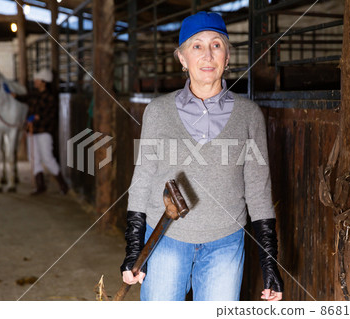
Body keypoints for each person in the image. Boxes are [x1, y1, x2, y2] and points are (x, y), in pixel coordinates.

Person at [120, 12, 284, 301]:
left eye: (216, 45)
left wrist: (270, 262)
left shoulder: (249, 115)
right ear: (182, 59)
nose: (207, 55)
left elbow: (258, 191)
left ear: (228, 57)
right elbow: (143, 180)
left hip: (225, 243)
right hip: (165, 240)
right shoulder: (158, 112)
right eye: (196, 46)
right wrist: (134, 247)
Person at [10, 69, 69, 195]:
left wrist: (38, 117)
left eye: (37, 80)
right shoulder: (34, 94)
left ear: (44, 82)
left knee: (47, 158)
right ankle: (40, 186)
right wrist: (13, 94)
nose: (35, 81)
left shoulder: (50, 97)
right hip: (32, 131)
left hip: (44, 132)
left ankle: (63, 185)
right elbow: (24, 98)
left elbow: (51, 115)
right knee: (34, 158)